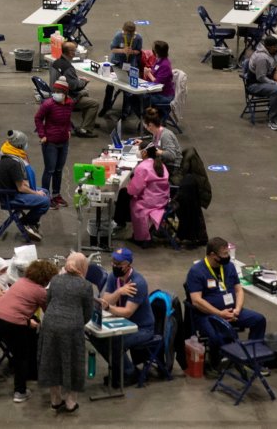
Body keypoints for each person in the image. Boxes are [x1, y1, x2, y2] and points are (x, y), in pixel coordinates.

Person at [0, 258, 59, 402]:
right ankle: (20, 392)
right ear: (47, 278)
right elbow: (50, 312)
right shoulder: (41, 292)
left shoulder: (20, 282)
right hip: (14, 324)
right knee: (21, 357)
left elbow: (13, 304)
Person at [185, 237, 267, 362]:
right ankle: (216, 361)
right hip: (208, 316)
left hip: (232, 311)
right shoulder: (196, 271)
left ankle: (253, 359)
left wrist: (237, 310)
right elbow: (196, 301)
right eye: (224, 254)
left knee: (259, 320)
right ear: (213, 255)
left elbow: (239, 290)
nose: (227, 256)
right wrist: (220, 314)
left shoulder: (229, 266)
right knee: (217, 336)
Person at [38, 252, 96, 413]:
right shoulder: (85, 286)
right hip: (72, 328)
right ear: (83, 267)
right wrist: (76, 322)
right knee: (74, 362)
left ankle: (55, 400)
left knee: (52, 361)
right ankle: (71, 402)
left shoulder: (55, 280)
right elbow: (88, 313)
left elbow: (48, 302)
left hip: (50, 324)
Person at [90, 249, 155, 388]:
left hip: (141, 327)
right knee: (95, 336)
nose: (114, 265)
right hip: (123, 322)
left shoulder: (138, 283)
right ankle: (121, 369)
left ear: (128, 265)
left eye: (118, 263)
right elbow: (106, 299)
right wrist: (119, 291)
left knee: (115, 342)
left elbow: (127, 312)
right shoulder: (114, 277)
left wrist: (108, 308)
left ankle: (129, 372)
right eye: (113, 262)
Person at [0, 130, 49, 242]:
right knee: (45, 201)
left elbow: (18, 182)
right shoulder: (13, 163)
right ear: (19, 145)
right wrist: (36, 193)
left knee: (45, 191)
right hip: (12, 197)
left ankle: (31, 223)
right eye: (24, 144)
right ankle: (26, 222)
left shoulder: (7, 152)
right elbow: (21, 187)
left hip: (11, 190)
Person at [35, 77, 75, 208]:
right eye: (55, 90)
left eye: (59, 91)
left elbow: (68, 119)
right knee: (50, 170)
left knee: (59, 170)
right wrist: (42, 135)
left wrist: (68, 130)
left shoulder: (70, 103)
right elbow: (38, 118)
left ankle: (56, 195)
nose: (56, 93)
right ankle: (45, 197)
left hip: (63, 142)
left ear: (65, 93)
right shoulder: (48, 104)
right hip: (50, 142)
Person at [48, 40, 101, 137]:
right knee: (94, 103)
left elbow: (66, 80)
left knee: (85, 93)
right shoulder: (68, 67)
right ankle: (85, 130)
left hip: (55, 94)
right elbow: (75, 87)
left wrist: (76, 79)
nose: (76, 52)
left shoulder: (55, 62)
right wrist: (84, 82)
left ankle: (89, 122)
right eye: (74, 50)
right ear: (70, 53)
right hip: (65, 98)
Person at [128, 137, 171, 247]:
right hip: (163, 199)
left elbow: (134, 190)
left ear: (145, 153)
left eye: (139, 150)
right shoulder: (161, 165)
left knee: (132, 202)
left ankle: (140, 237)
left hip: (150, 202)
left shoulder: (142, 168)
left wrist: (129, 186)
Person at [102, 21, 142, 118]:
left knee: (128, 89)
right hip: (117, 63)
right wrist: (123, 50)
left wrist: (132, 52)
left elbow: (139, 51)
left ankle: (126, 111)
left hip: (130, 65)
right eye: (126, 33)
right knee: (110, 86)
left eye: (130, 33)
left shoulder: (138, 38)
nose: (128, 35)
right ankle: (106, 107)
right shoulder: (118, 36)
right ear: (123, 30)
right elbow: (113, 49)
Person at [144, 39, 176, 110]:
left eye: (153, 50)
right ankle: (145, 116)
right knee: (135, 96)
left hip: (164, 95)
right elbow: (153, 73)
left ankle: (147, 117)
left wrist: (149, 74)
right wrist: (149, 72)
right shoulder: (158, 60)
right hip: (156, 92)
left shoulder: (165, 65)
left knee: (142, 98)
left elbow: (157, 83)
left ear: (157, 53)